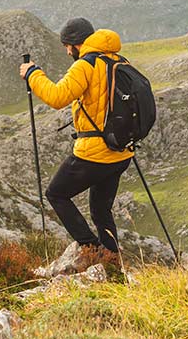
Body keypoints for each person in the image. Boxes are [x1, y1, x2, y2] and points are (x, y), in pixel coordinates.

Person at [19, 17, 132, 253]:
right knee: (101, 210)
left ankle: (91, 250)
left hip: (96, 152)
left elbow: (57, 97)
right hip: (120, 151)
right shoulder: (117, 60)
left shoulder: (85, 65)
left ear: (73, 45)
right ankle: (112, 262)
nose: (66, 51)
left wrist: (33, 74)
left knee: (56, 194)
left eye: (66, 47)